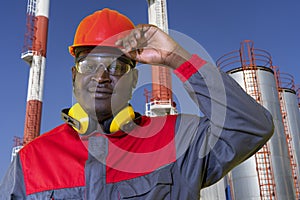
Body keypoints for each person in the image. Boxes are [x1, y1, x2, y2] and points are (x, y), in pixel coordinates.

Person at [0, 8, 274, 199]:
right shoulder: (31, 160)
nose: (102, 77)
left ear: (133, 81)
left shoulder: (177, 142)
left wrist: (176, 57)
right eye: (89, 64)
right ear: (74, 75)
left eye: (117, 66)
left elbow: (252, 126)